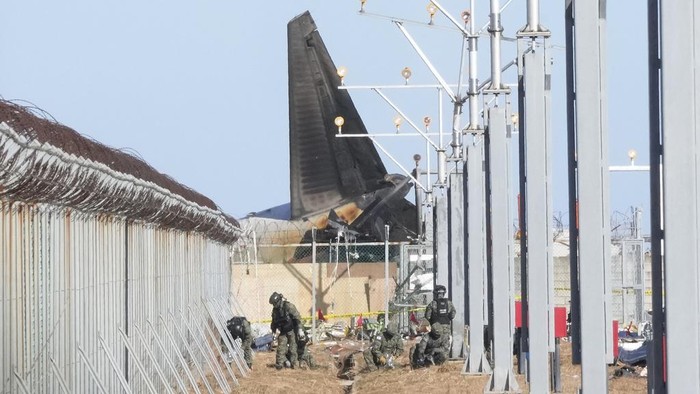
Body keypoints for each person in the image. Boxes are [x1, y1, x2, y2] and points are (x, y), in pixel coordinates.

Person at [269, 292, 303, 369]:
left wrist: (300, 329)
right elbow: (274, 322)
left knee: (293, 348)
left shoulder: (288, 306)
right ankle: (279, 365)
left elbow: (297, 317)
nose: (274, 305)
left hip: (292, 330)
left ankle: (295, 365)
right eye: (273, 304)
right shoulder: (275, 311)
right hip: (282, 331)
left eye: (275, 303)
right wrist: (274, 332)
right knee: (281, 348)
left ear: (279, 300)